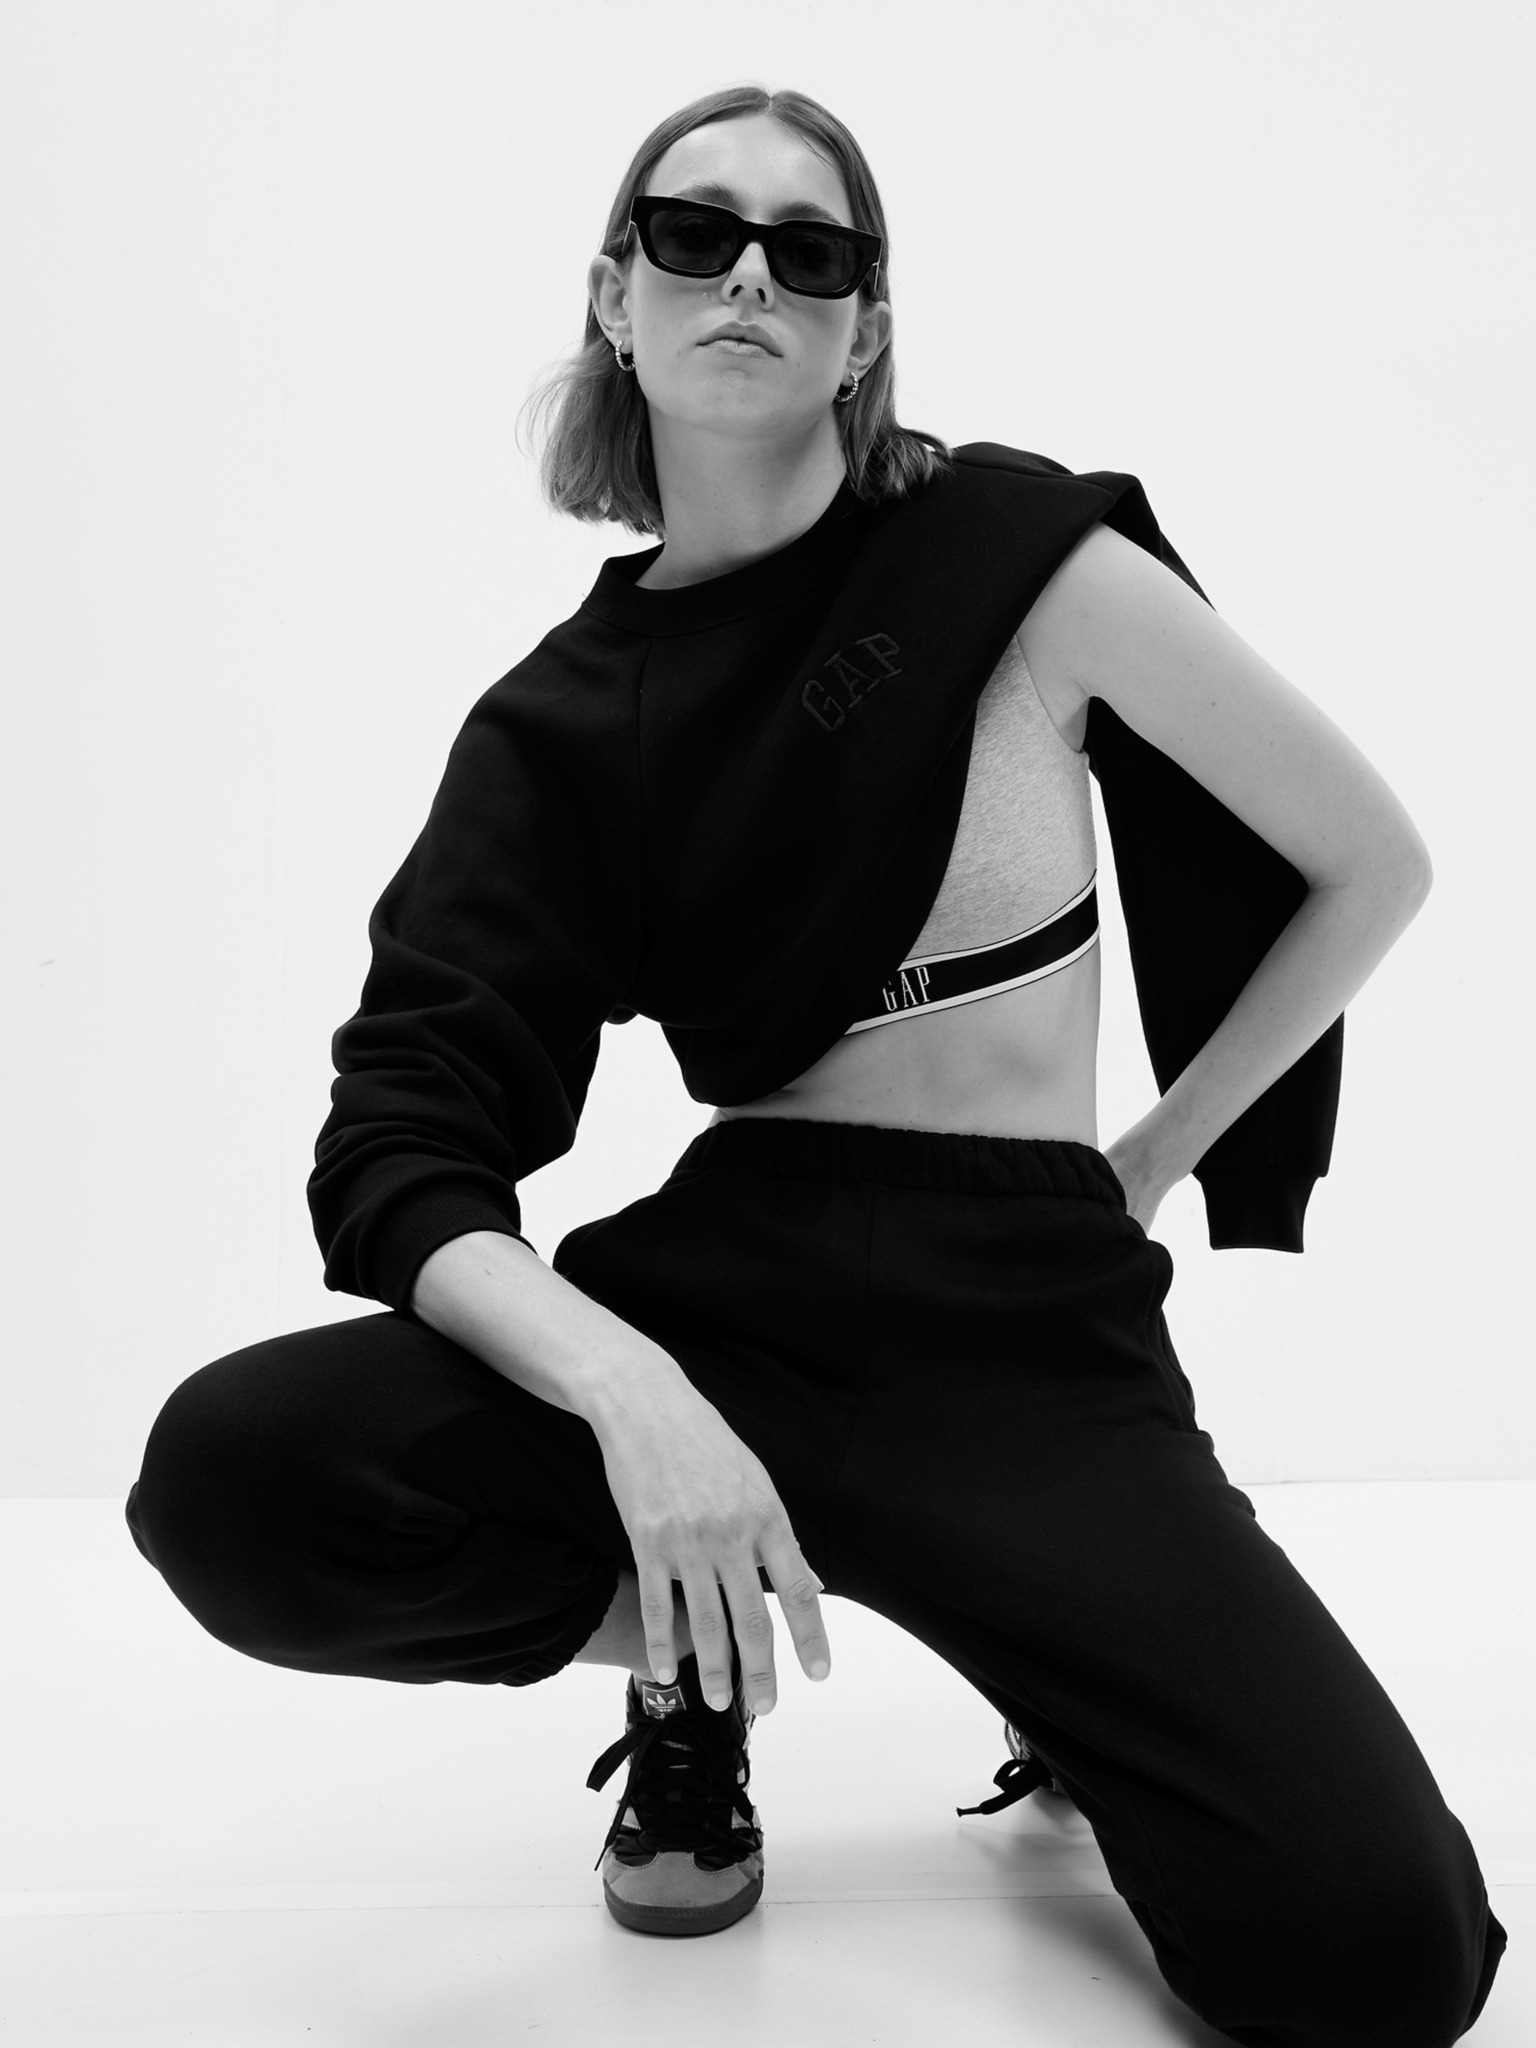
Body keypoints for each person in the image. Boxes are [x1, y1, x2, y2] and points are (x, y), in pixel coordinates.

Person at [124, 82, 1507, 2044]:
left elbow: (1367, 862)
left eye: (813, 248)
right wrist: (639, 1404)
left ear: (865, 327)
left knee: (1380, 1962)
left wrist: (1153, 1158)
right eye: (695, 236)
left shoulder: (1015, 556)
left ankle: (1060, 1674)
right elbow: (401, 1145)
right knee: (239, 1477)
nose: (752, 278)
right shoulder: (559, 726)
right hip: (743, 1298)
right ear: (616, 298)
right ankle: (697, 1643)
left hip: (1029, 1331)